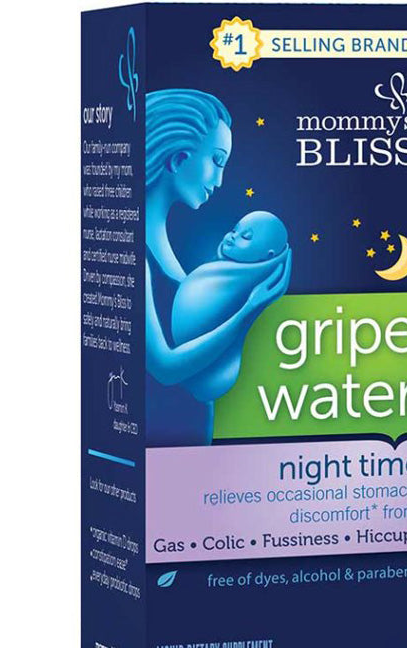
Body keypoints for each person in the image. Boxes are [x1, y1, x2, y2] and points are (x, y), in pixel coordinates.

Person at [145, 89, 292, 446]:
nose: (219, 180)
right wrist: (249, 310)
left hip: (188, 445)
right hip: (162, 443)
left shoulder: (160, 246)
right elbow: (164, 369)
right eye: (217, 160)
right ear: (178, 159)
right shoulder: (137, 257)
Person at [171, 211, 290, 402]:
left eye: (246, 237)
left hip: (208, 379)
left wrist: (249, 308)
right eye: (235, 230)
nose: (233, 236)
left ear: (265, 256)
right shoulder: (216, 269)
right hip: (181, 374)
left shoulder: (251, 288)